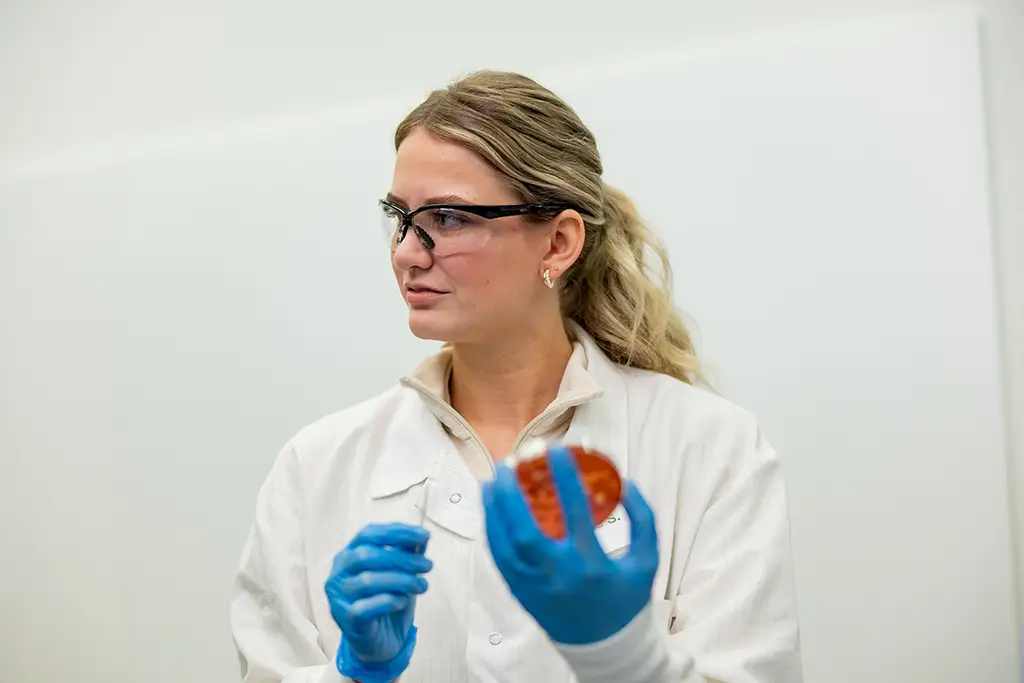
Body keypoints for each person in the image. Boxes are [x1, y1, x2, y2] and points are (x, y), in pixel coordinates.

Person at [230, 70, 803, 683]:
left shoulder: (709, 448)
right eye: (400, 216)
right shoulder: (317, 467)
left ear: (557, 242)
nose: (406, 252)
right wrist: (356, 675)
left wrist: (624, 656)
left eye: (447, 218)